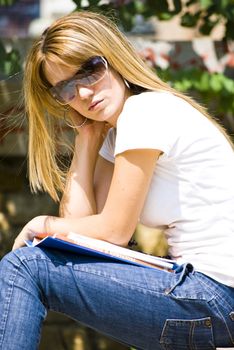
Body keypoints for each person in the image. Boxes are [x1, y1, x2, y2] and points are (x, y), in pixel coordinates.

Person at [0, 10, 234, 350]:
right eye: (64, 88)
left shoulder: (146, 112)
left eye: (89, 70)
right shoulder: (119, 131)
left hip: (214, 296)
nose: (82, 93)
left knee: (25, 266)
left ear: (112, 58)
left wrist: (41, 222)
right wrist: (86, 138)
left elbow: (114, 231)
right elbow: (82, 233)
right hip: (211, 300)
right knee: (31, 263)